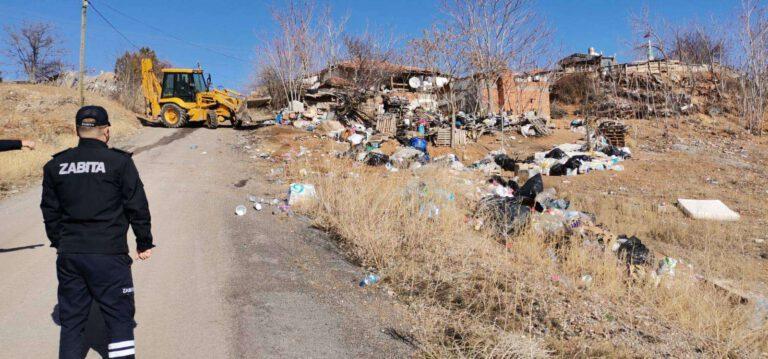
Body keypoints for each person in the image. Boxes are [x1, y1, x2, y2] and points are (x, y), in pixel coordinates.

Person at [40, 105, 154, 359]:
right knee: (119, 319)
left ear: (77, 131)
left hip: (70, 254)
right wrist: (143, 242)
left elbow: (49, 211)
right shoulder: (119, 162)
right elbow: (137, 205)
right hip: (109, 255)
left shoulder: (56, 165)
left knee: (71, 323)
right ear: (107, 131)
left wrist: (61, 242)